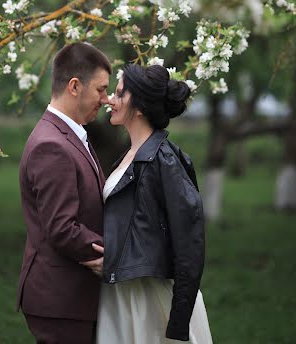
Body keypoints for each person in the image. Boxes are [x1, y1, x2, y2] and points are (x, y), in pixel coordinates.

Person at [92, 63, 213, 344]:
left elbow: (189, 244)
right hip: (122, 292)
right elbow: (134, 226)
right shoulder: (128, 155)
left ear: (141, 107)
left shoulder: (165, 160)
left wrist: (179, 321)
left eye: (120, 94)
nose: (111, 99)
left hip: (152, 299)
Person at [16, 42, 111, 344]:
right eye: (100, 90)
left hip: (71, 298)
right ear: (74, 86)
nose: (106, 100)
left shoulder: (69, 134)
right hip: (60, 300)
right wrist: (119, 255)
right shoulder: (52, 145)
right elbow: (61, 227)